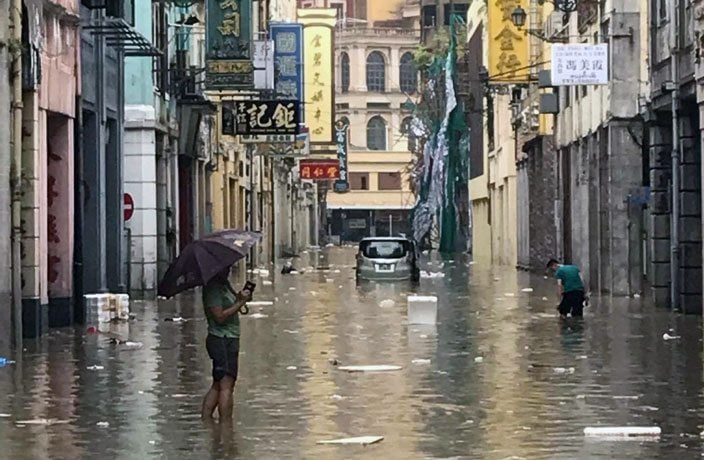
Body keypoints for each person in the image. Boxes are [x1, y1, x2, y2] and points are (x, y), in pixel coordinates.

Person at [201, 268, 252, 421]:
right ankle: (226, 428)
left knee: (219, 384)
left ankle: (207, 422)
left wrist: (240, 298)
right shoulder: (213, 289)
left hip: (229, 338)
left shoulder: (223, 285)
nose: (228, 269)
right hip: (222, 339)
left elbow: (230, 305)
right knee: (226, 385)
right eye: (226, 267)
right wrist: (240, 303)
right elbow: (220, 316)